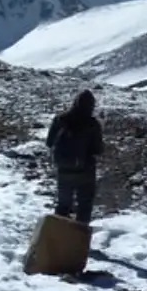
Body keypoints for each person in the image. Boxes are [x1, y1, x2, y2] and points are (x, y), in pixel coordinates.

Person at [46, 89, 105, 224]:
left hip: (64, 170)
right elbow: (98, 149)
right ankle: (78, 240)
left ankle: (55, 237)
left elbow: (49, 142)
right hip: (86, 172)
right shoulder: (92, 123)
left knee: (63, 205)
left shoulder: (60, 119)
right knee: (84, 207)